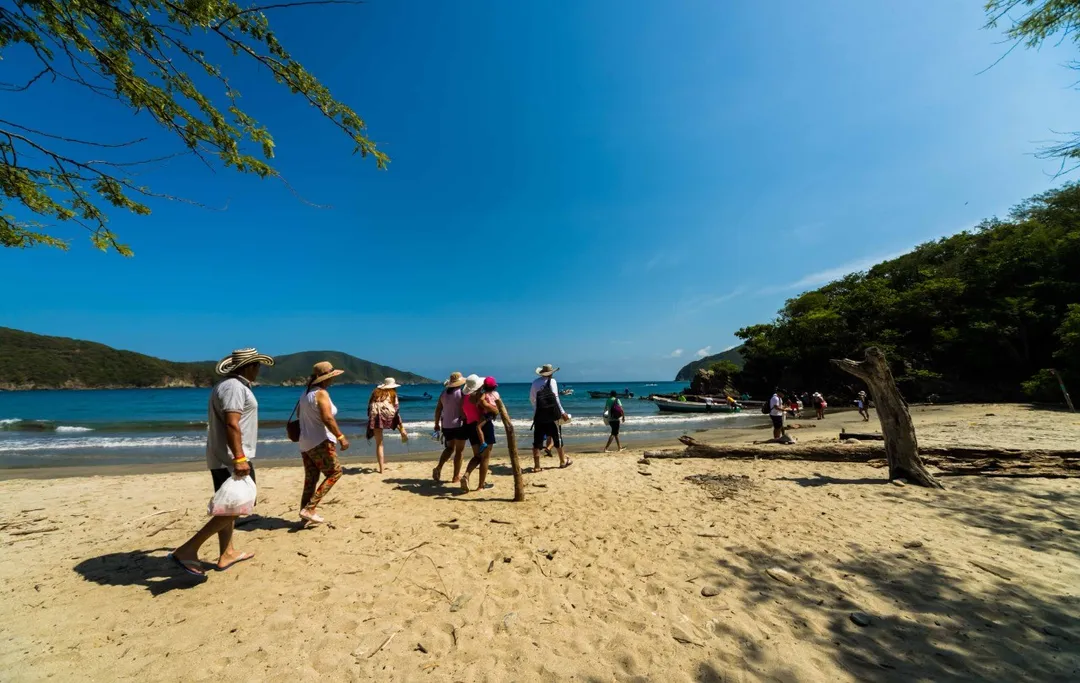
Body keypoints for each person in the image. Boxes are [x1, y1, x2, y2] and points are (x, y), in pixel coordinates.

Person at [170, 348, 273, 578]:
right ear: (248, 366)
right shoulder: (235, 387)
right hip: (231, 457)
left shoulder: (229, 386)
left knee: (230, 505)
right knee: (242, 502)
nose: (259, 369)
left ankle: (227, 553)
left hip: (222, 456)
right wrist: (239, 458)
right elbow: (232, 423)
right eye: (257, 365)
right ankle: (188, 549)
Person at [296, 362, 348, 526]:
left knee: (311, 478)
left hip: (305, 441)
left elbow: (299, 414)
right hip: (320, 440)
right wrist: (340, 436)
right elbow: (327, 418)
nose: (332, 380)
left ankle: (304, 515)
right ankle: (310, 509)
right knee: (335, 473)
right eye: (331, 377)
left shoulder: (305, 393)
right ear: (326, 378)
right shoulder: (321, 393)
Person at [462, 376, 501, 492]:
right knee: (485, 458)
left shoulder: (465, 398)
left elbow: (463, 414)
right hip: (485, 426)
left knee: (477, 456)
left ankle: (466, 475)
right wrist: (496, 410)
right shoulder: (480, 396)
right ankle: (481, 485)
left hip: (470, 427)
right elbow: (492, 409)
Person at [530, 364, 571, 471]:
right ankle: (562, 461)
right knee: (557, 437)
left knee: (537, 441)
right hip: (552, 416)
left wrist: (537, 412)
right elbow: (556, 398)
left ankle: (537, 466)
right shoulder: (552, 381)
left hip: (539, 416)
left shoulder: (535, 382)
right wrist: (563, 412)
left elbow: (532, 399)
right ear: (551, 373)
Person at [433, 371, 468, 483]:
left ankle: (439, 467)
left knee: (449, 448)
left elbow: (438, 409)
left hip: (446, 425)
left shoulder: (443, 393)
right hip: (459, 424)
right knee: (459, 451)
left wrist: (436, 424)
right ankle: (456, 476)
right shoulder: (462, 393)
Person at [367, 377, 407, 474]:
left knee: (379, 444)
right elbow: (396, 411)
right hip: (388, 414)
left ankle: (381, 469)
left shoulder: (375, 393)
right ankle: (402, 430)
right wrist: (400, 425)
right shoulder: (393, 394)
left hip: (375, 416)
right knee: (394, 417)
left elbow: (369, 407)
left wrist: (370, 420)